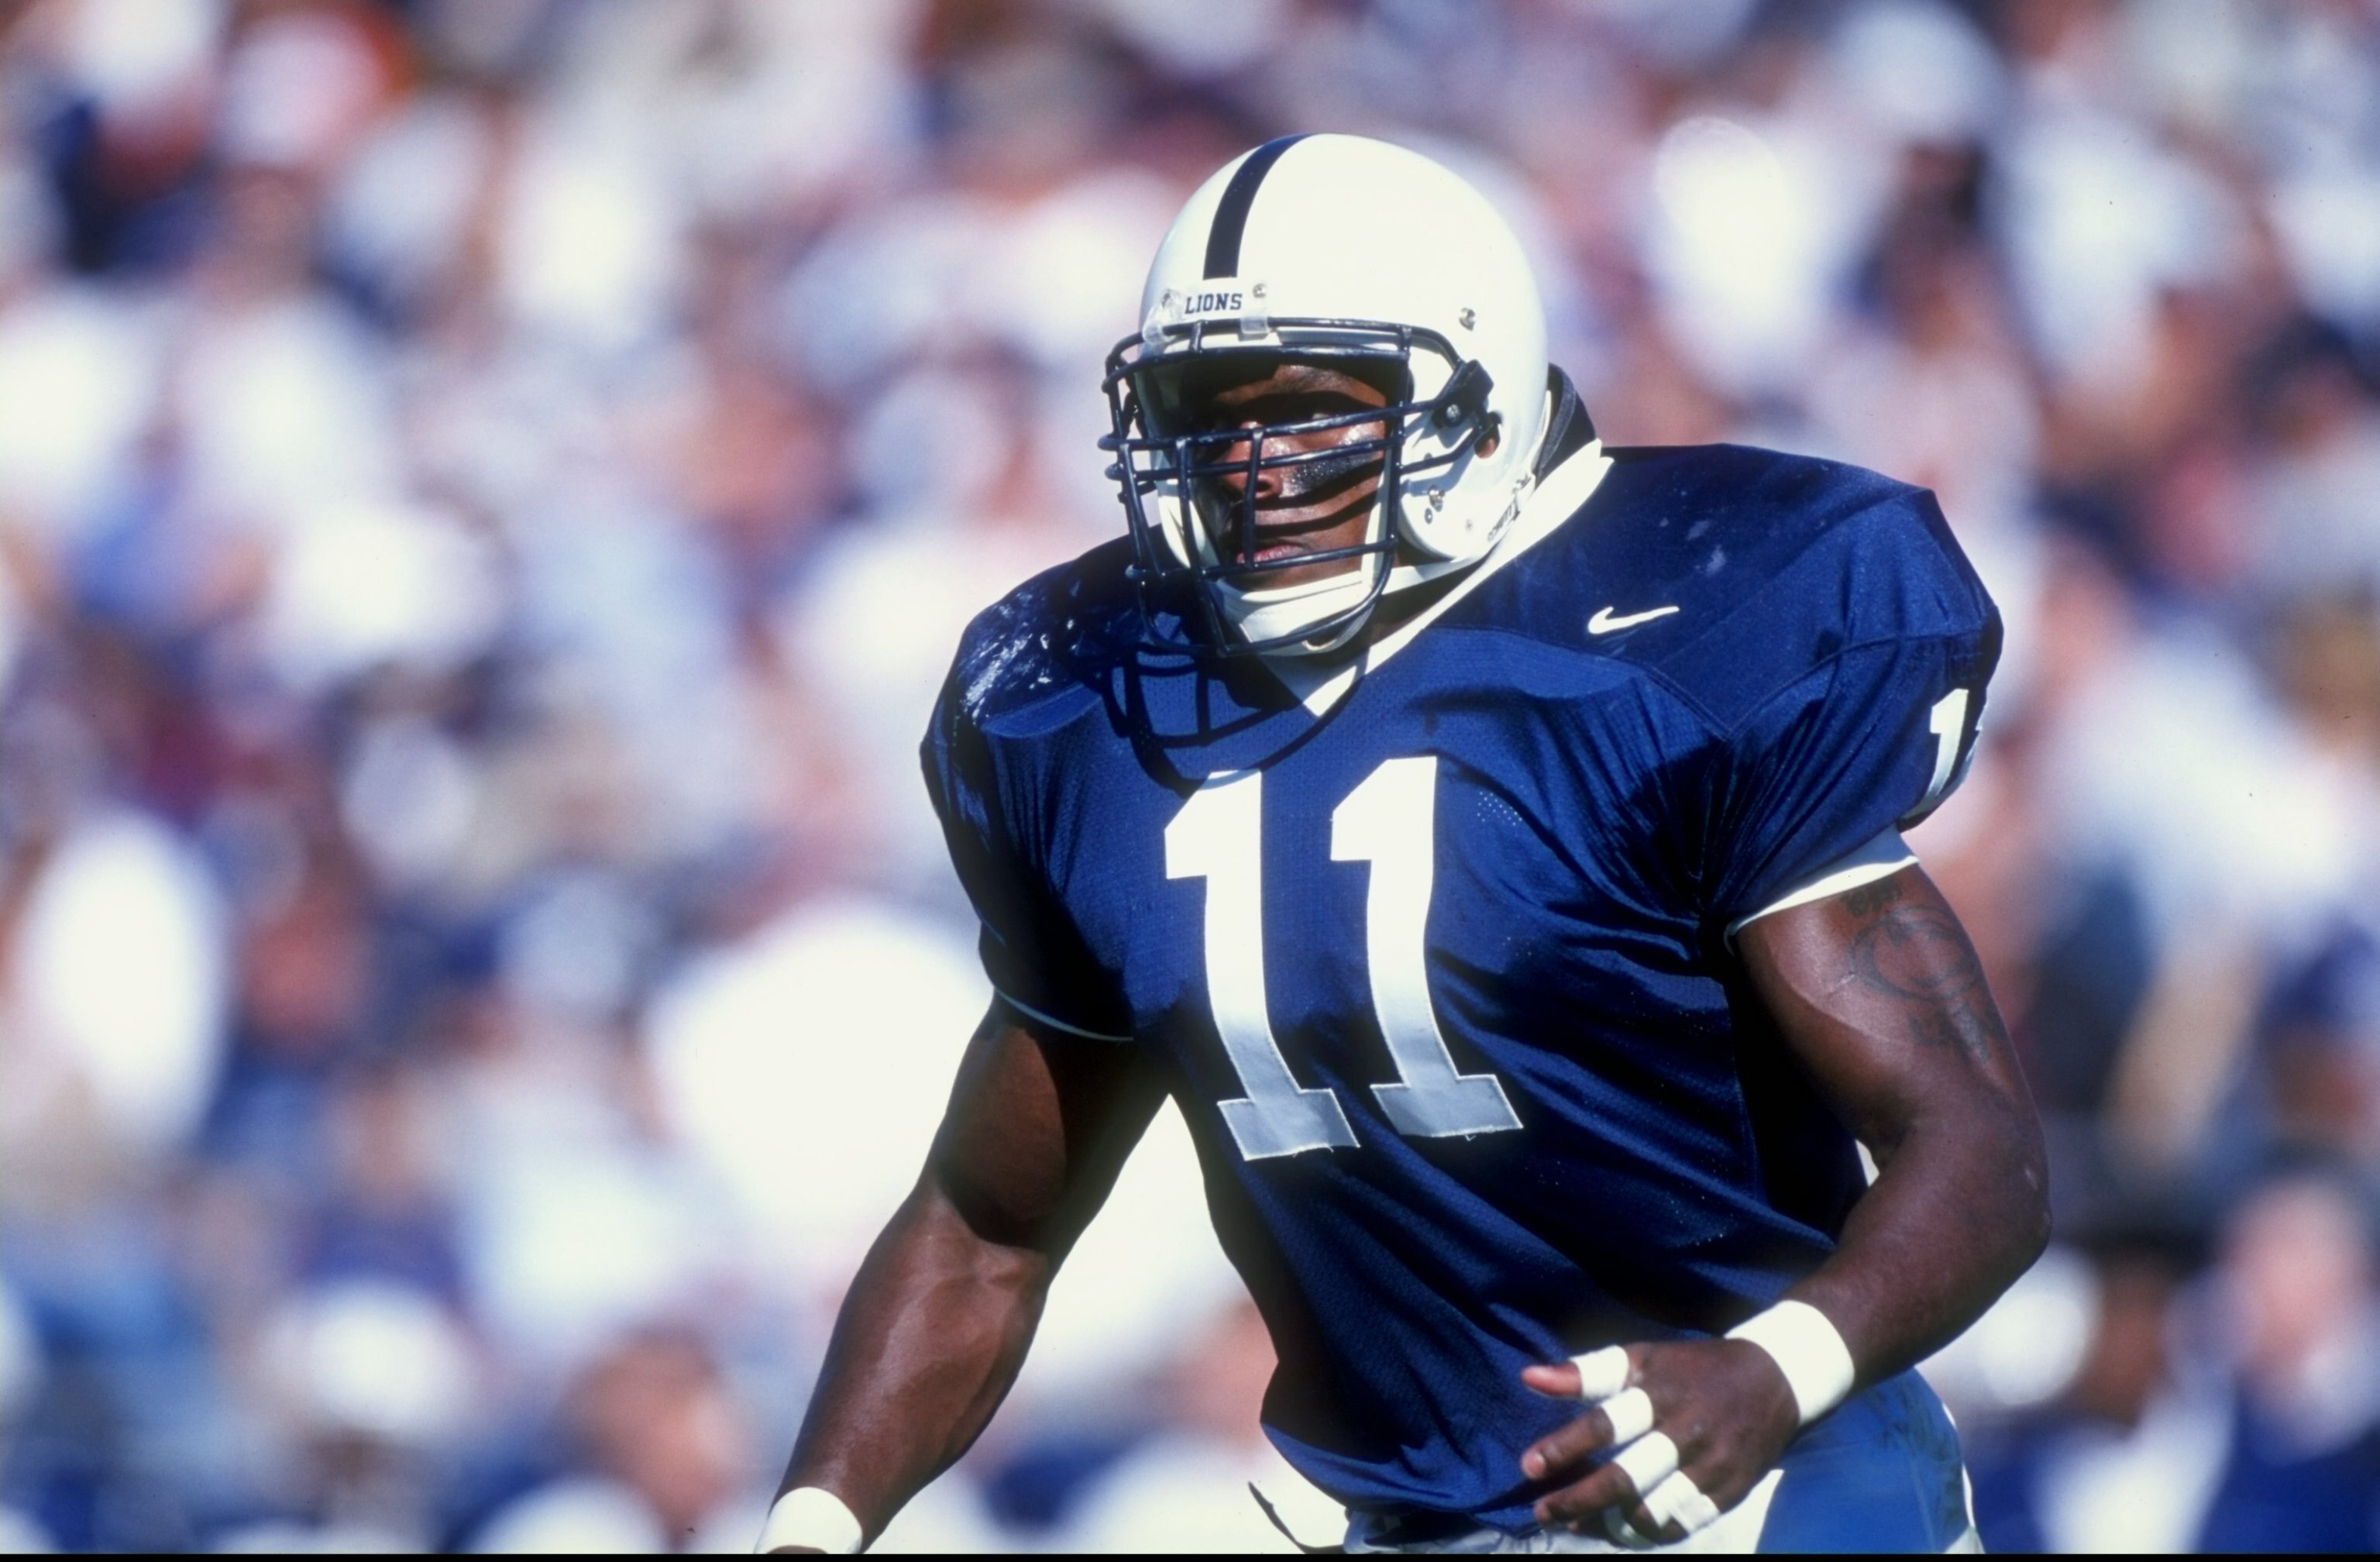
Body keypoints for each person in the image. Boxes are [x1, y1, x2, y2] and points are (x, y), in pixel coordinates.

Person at [757, 134, 2048, 1554]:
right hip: (1413, 1519)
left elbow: (1977, 1143)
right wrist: (812, 1529)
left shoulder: (1685, 634)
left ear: (1471, 395)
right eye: (1207, 415)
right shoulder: (1087, 715)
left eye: (1313, 411)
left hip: (1764, 1481)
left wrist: (1776, 1363)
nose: (1254, 467)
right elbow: (988, 1223)